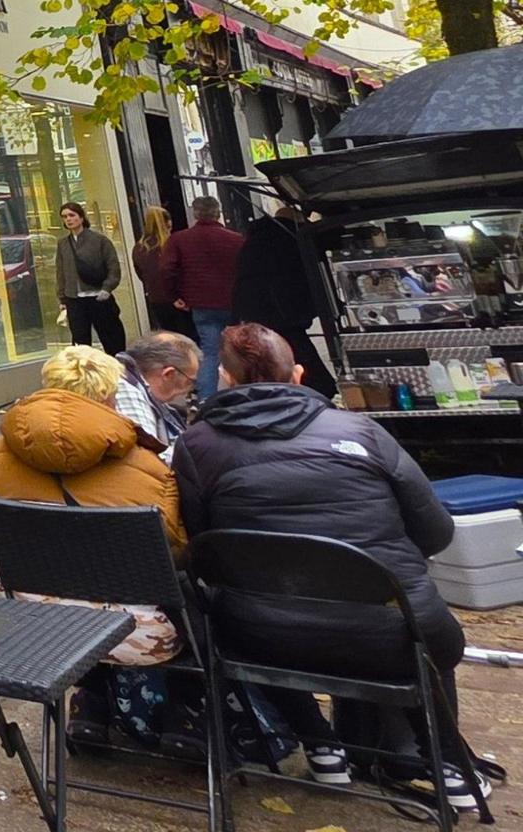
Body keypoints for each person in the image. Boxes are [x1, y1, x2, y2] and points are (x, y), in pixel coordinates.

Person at [175, 323, 473, 805]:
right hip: (394, 635)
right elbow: (436, 532)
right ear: (297, 375)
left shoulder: (196, 445)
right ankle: (441, 763)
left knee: (244, 603)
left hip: (257, 636)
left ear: (226, 381)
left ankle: (321, 744)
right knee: (411, 612)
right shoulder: (361, 431)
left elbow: (204, 544)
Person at [0, 346, 187, 743]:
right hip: (139, 635)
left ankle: (92, 699)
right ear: (110, 396)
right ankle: (179, 708)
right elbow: (175, 552)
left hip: (37, 629)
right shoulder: (147, 467)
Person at [233, 202, 337, 396]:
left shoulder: (254, 239)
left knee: (276, 353)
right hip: (282, 310)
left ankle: (303, 389)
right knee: (296, 352)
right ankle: (318, 390)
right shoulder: (288, 238)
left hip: (255, 310)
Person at [161, 196, 245, 392]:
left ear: (195, 213)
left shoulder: (179, 239)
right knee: (237, 351)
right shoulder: (236, 239)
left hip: (201, 303)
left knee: (210, 352)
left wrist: (174, 296)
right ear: (218, 213)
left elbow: (166, 269)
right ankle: (243, 392)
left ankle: (206, 397)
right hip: (231, 301)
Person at [56, 201, 127, 355]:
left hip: (98, 297)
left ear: (81, 217)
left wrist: (107, 288)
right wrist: (62, 298)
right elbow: (61, 272)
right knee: (80, 343)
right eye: (64, 216)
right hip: (74, 300)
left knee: (111, 338)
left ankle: (118, 370)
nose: (68, 219)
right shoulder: (63, 244)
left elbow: (113, 267)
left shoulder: (99, 240)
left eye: (72, 215)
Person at [115, 332, 202, 446]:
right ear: (168, 374)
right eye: (189, 382)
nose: (189, 389)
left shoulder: (142, 388)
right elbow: (149, 455)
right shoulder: (125, 391)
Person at [132, 206, 191, 338]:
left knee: (169, 337)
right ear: (168, 223)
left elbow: (140, 273)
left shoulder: (139, 248)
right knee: (188, 338)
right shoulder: (173, 244)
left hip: (156, 298)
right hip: (179, 299)